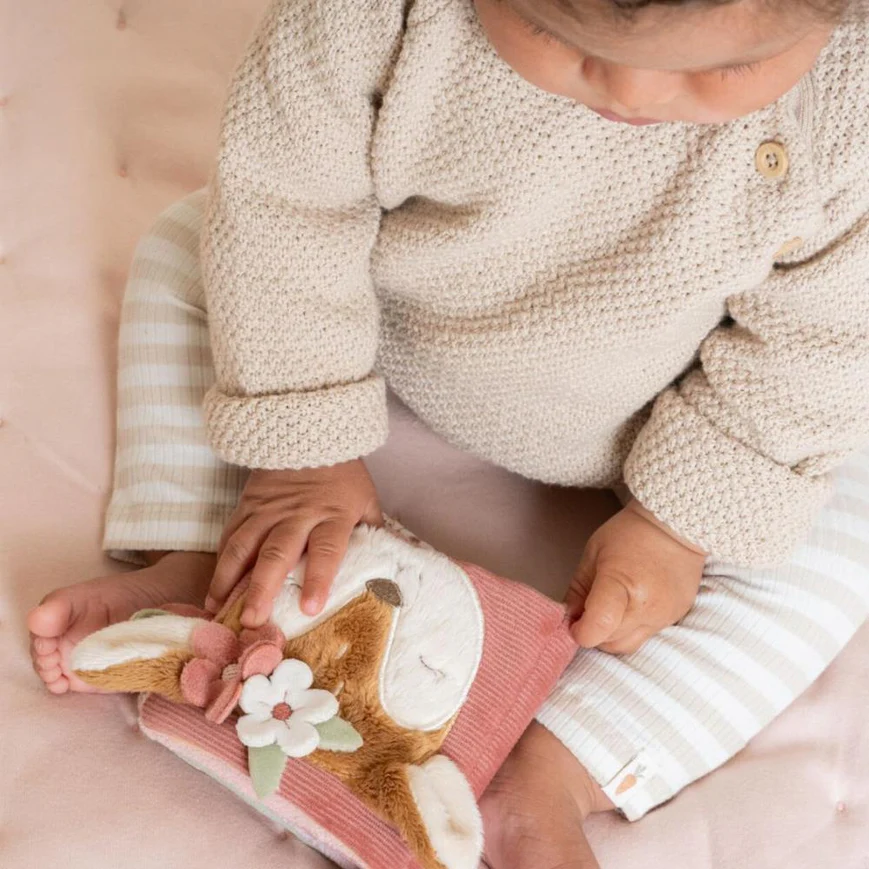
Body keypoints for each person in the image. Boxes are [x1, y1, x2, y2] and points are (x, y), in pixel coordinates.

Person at [28, 1, 869, 866]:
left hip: (671, 401)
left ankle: (555, 768)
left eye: (721, 68)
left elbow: (817, 340)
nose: (631, 90)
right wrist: (304, 455)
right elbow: (286, 207)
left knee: (840, 511)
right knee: (187, 244)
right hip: (388, 321)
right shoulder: (362, 20)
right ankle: (219, 567)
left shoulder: (850, 101)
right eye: (555, 33)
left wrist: (676, 526)